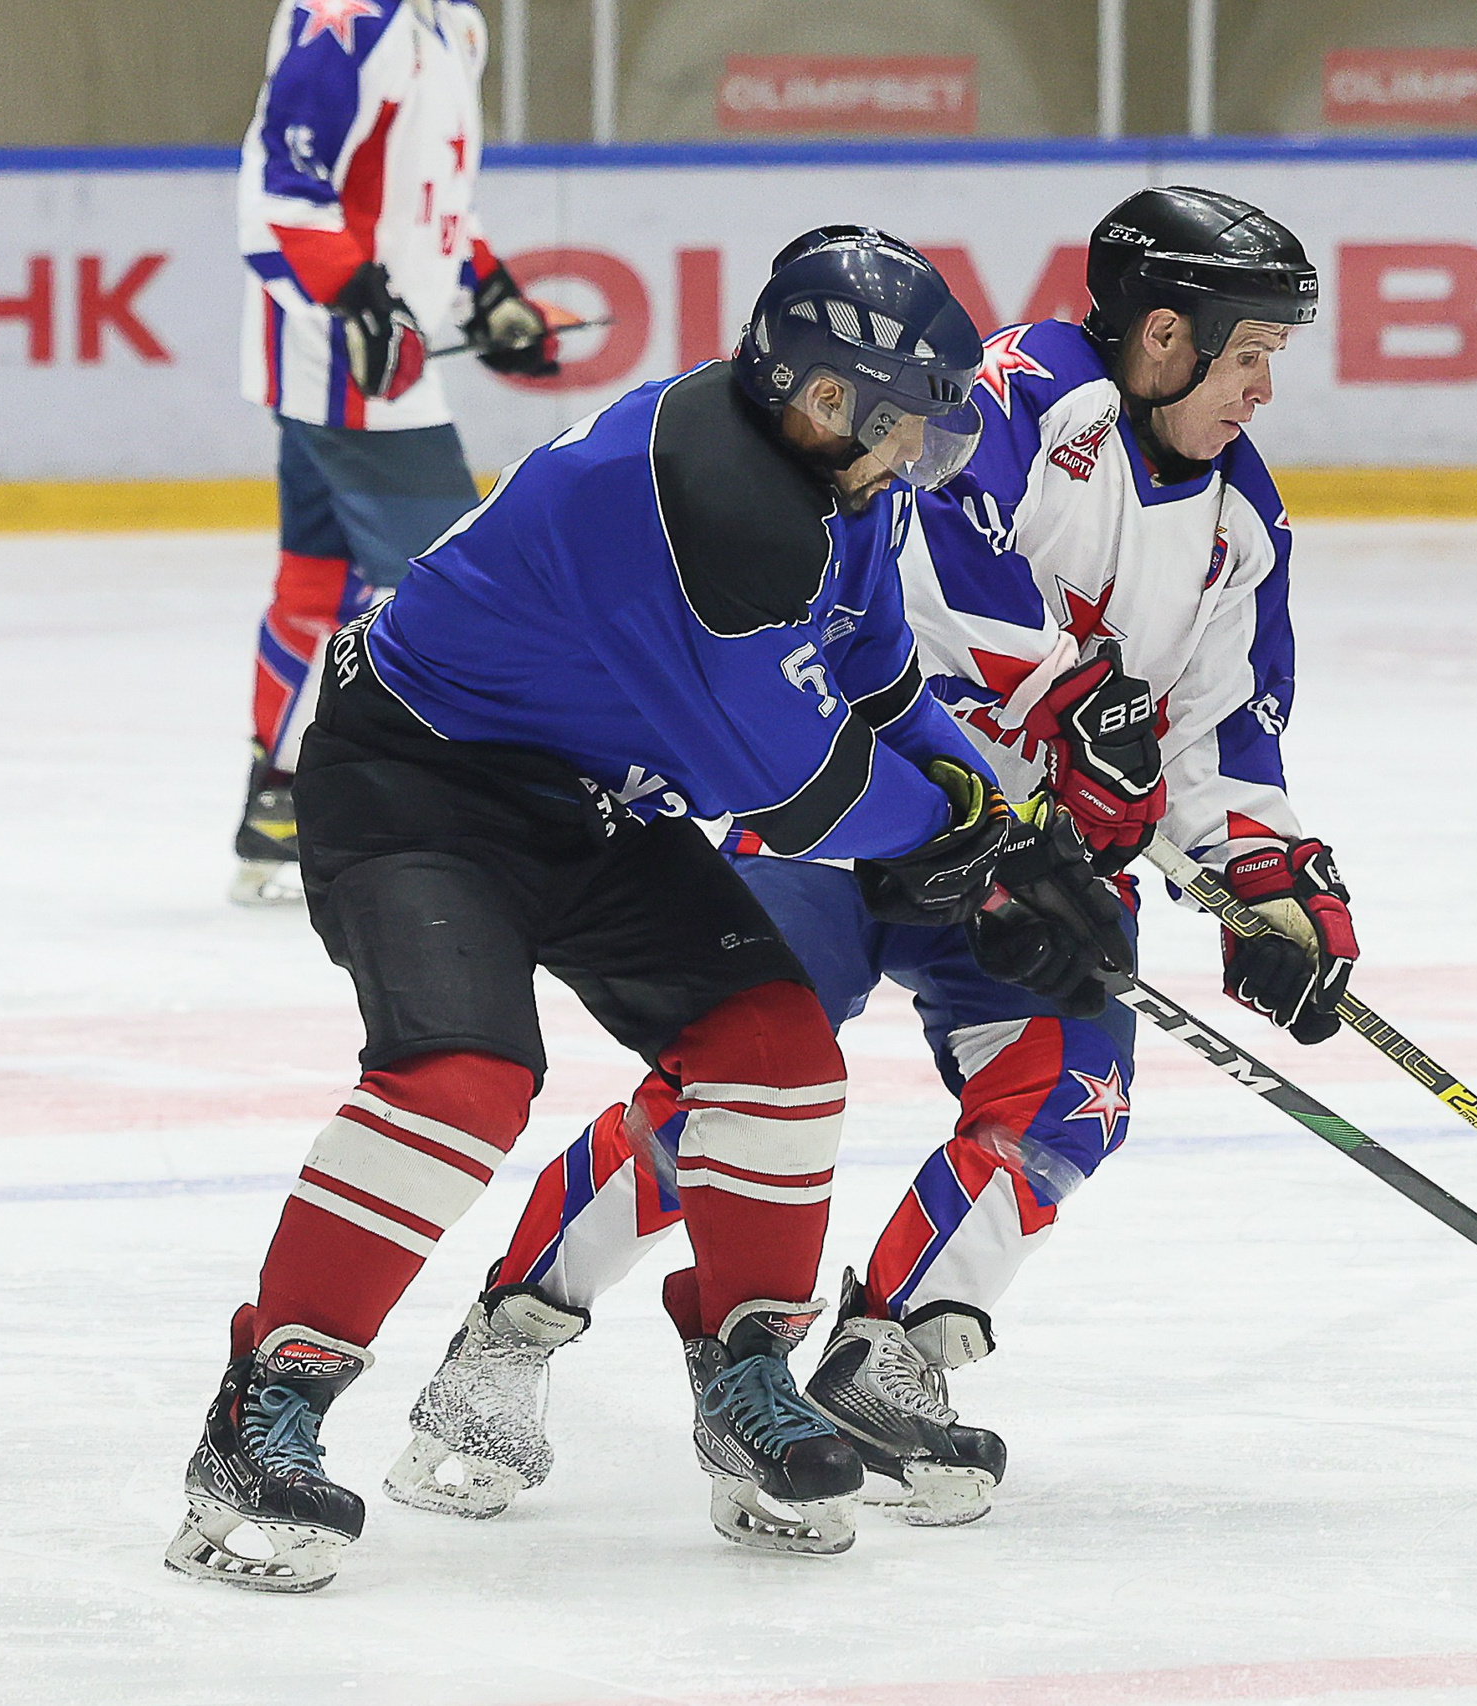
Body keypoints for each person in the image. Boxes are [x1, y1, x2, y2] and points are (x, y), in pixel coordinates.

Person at [163, 229, 1132, 1592]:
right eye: (906, 421)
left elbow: (878, 685)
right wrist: (959, 844)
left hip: (593, 794)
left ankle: (748, 1379)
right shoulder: (720, 502)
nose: (924, 450)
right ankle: (265, 1407)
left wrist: (1004, 817)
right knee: (461, 1082)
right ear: (825, 397)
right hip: (418, 778)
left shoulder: (841, 478)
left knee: (778, 1059)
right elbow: (801, 790)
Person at [385, 187, 1355, 1532]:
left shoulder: (1244, 518)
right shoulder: (1007, 398)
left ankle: (885, 1355)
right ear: (1163, 335)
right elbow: (920, 590)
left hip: (1025, 859)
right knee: (737, 1087)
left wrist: (1267, 877)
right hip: (849, 806)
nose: (1262, 389)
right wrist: (1061, 711)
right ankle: (513, 1329)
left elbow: (1221, 728)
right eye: (1247, 353)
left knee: (1071, 1084)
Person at [230, 0, 563, 905]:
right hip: (344, 362)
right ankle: (471, 817)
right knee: (466, 591)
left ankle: (280, 801)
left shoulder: (454, 23)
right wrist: (356, 300)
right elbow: (280, 188)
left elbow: (434, 201)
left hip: (370, 357)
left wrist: (487, 293)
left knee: (318, 584)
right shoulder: (345, 17)